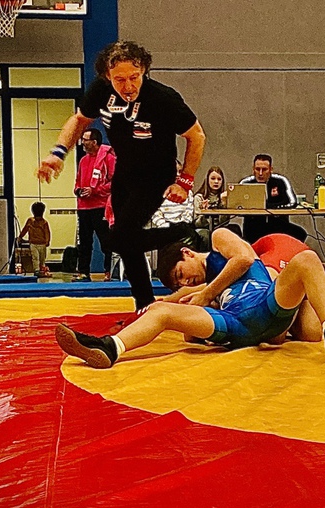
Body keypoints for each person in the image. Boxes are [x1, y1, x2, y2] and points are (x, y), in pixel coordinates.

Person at [36, 40, 206, 310]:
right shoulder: (101, 91)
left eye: (134, 77)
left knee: (119, 238)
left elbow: (196, 136)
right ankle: (144, 303)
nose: (128, 86)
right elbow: (79, 120)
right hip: (124, 173)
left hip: (156, 175)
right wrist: (57, 153)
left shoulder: (163, 98)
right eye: (120, 80)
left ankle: (180, 231)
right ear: (107, 76)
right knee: (127, 242)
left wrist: (184, 182)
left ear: (144, 71)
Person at [54, 227, 325, 368]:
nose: (185, 281)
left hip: (265, 305)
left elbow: (244, 259)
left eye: (181, 272)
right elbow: (188, 321)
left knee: (307, 260)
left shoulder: (220, 241)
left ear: (188, 252)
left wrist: (205, 295)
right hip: (235, 326)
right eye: (179, 281)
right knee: (162, 313)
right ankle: (111, 348)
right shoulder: (205, 289)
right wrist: (191, 317)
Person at [74, 128, 115, 281]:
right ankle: (83, 272)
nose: (82, 142)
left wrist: (95, 190)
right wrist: (78, 190)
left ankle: (109, 271)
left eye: (85, 140)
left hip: (101, 206)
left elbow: (115, 183)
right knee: (84, 242)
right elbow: (78, 181)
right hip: (83, 207)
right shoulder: (83, 160)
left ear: (94, 142)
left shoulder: (109, 159)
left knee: (106, 241)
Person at [239, 154, 307, 244]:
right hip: (253, 228)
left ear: (271, 169)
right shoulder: (245, 183)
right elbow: (237, 205)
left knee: (300, 233)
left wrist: (267, 207)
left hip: (278, 226)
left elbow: (293, 202)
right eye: (257, 169)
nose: (260, 173)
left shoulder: (281, 181)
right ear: (253, 169)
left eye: (264, 169)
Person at [18, 201, 51, 276]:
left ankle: (41, 269)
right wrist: (20, 236)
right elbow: (25, 229)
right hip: (35, 243)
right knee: (35, 257)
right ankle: (37, 270)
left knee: (41, 258)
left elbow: (47, 232)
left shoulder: (43, 223)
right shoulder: (33, 221)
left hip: (40, 243)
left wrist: (20, 236)